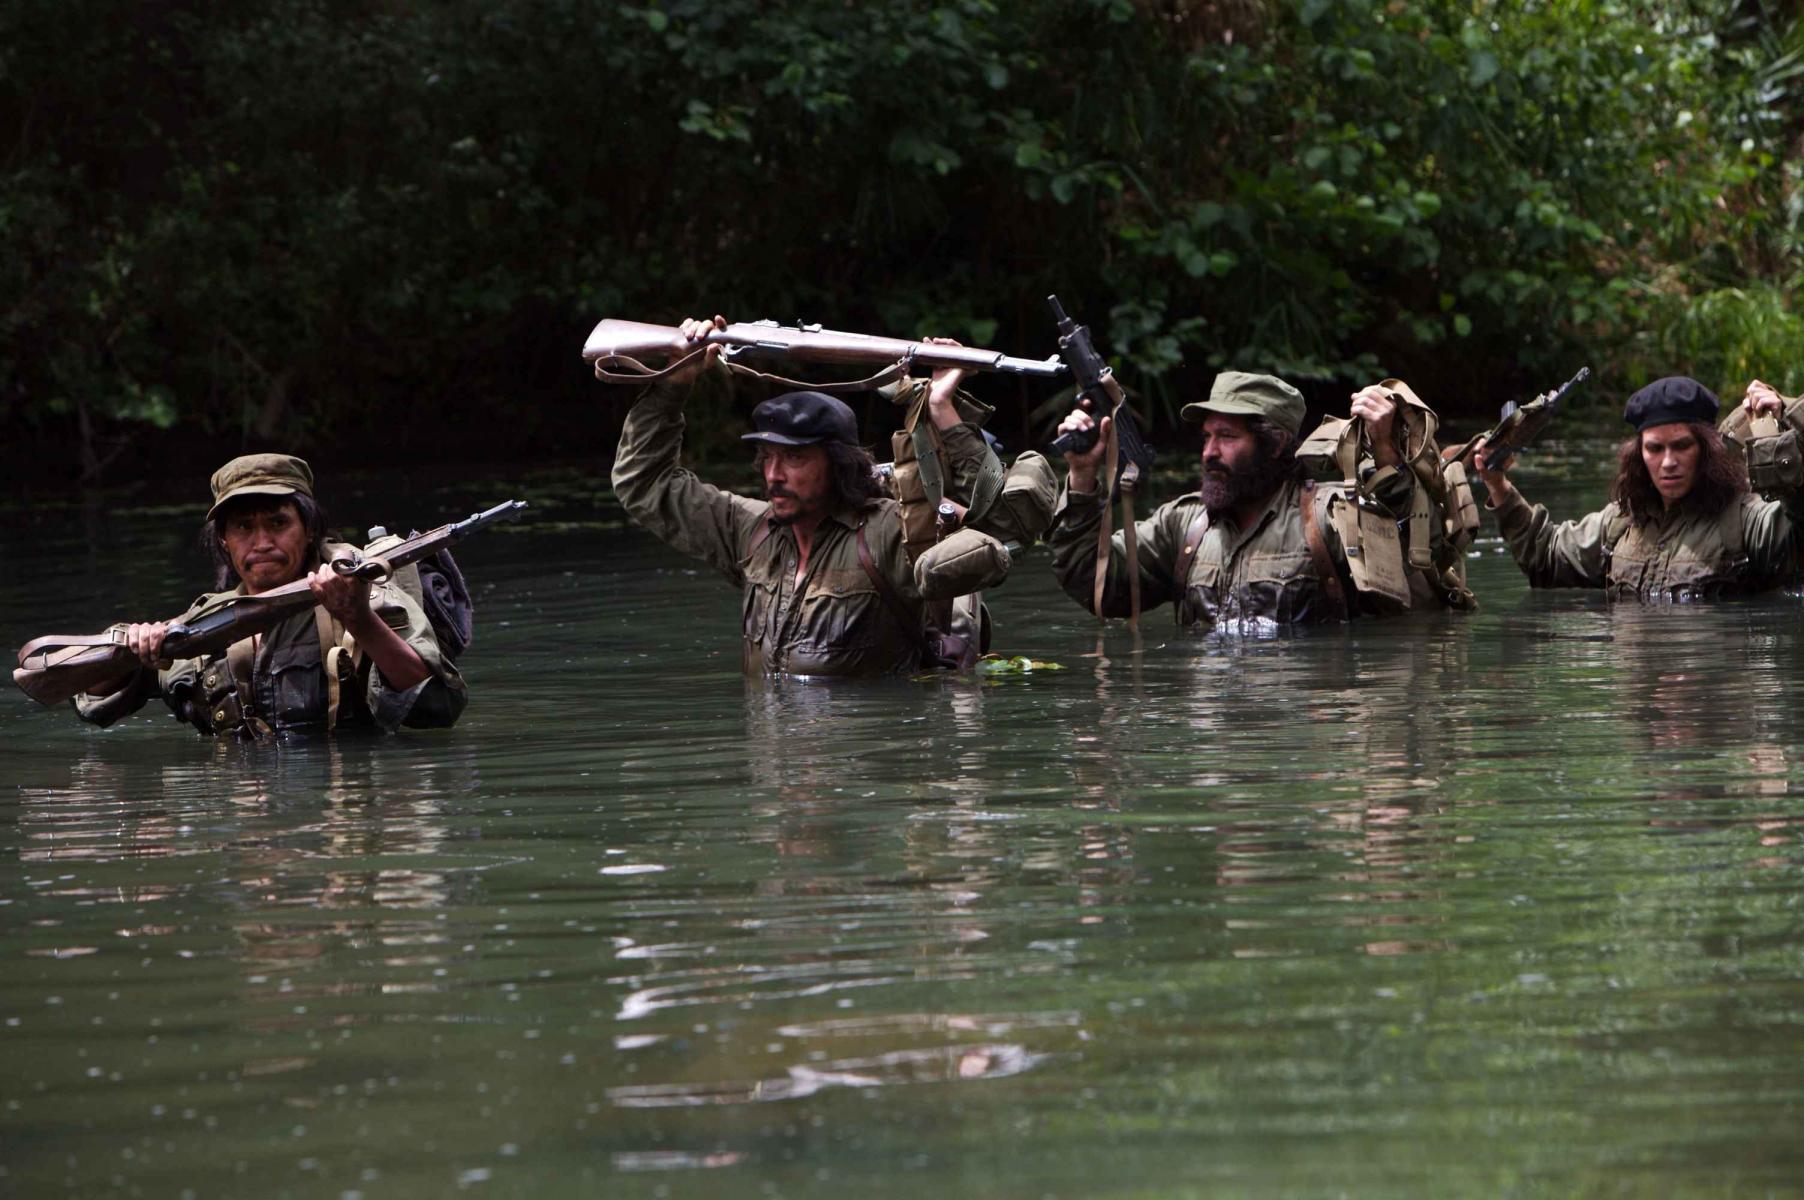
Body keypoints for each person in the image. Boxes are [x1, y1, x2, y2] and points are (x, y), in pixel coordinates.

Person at [611, 315, 1052, 676]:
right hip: (773, 770)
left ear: (839, 464)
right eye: (765, 457)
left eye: (794, 459)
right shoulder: (750, 531)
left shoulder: (889, 534)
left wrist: (942, 408)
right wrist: (673, 383)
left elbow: (1005, 525)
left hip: (868, 765)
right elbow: (644, 484)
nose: (773, 475)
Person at [74, 454, 468, 736]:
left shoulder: (366, 597)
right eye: (244, 527)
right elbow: (95, 704)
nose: (262, 542)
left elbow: (437, 708)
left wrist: (358, 619)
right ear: (226, 543)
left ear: (309, 530)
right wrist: (133, 648)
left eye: (278, 523)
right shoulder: (203, 628)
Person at [1048, 370, 1473, 627]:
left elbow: (1415, 563)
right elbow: (1096, 585)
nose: (1209, 452)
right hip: (1211, 748)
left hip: (1297, 733)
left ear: (1273, 444)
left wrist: (1387, 454)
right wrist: (1083, 476)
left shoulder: (1329, 518)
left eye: (1227, 437)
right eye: (1207, 436)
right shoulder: (1185, 527)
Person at [1474, 376, 1804, 599]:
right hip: (1642, 687)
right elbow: (1545, 558)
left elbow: (1798, 532)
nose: (1668, 462)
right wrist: (1497, 483)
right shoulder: (1621, 523)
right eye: (1655, 449)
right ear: (1639, 454)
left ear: (1706, 451)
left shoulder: (1745, 521)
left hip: (1711, 690)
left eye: (1682, 446)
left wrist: (1788, 419)